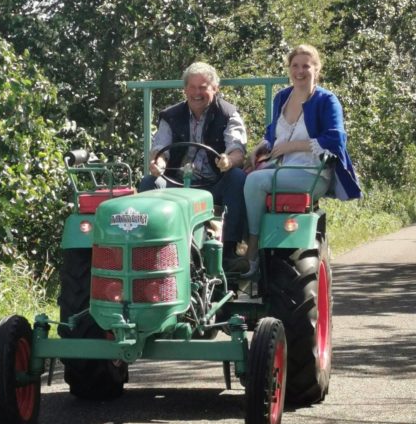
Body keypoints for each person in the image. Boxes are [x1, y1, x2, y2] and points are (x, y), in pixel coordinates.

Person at [242, 44, 361, 276]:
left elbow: (336, 140)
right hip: (280, 167)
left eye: (306, 66)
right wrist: (257, 149)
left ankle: (252, 251)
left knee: (255, 182)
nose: (300, 71)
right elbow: (274, 133)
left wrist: (292, 146)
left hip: (311, 172)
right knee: (238, 178)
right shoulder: (282, 98)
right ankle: (230, 247)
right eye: (295, 65)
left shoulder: (326, 100)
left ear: (316, 69)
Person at [139, 62, 249, 271]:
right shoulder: (170, 116)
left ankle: (229, 251)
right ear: (185, 89)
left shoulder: (228, 114)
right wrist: (159, 163)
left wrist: (228, 160)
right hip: (177, 183)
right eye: (192, 87)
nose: (197, 93)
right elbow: (161, 147)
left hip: (213, 183)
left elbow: (237, 149)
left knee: (237, 177)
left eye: (203, 87)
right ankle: (150, 252)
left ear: (215, 89)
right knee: (149, 183)